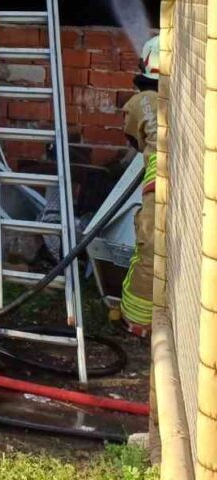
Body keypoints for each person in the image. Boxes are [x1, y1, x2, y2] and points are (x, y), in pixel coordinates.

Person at [119, 35, 160, 337]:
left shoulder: (141, 102)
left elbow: (134, 139)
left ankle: (137, 321)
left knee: (150, 251)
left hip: (160, 192)